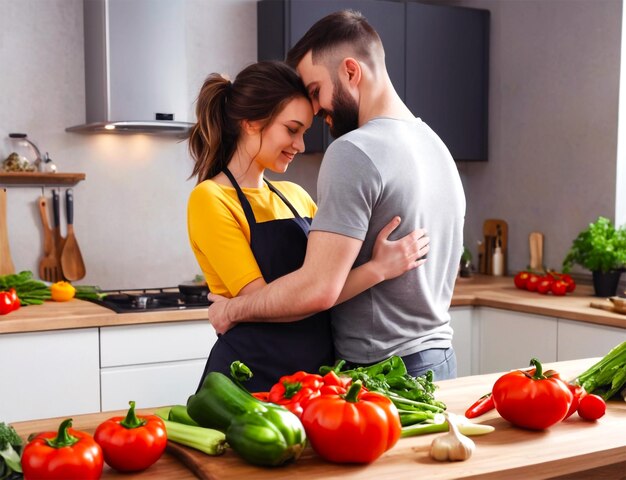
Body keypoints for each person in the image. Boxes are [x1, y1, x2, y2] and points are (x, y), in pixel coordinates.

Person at [206, 11, 466, 381]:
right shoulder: (436, 146)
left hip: (383, 370)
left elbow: (316, 289)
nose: (316, 109)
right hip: (437, 359)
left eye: (315, 92)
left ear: (350, 71)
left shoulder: (354, 151)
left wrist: (232, 311)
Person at [187, 60, 429, 392]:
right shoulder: (210, 199)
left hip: (312, 379)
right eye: (291, 129)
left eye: (303, 132)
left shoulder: (296, 195)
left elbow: (326, 280)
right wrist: (379, 269)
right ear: (250, 123)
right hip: (249, 377)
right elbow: (268, 302)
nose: (300, 145)